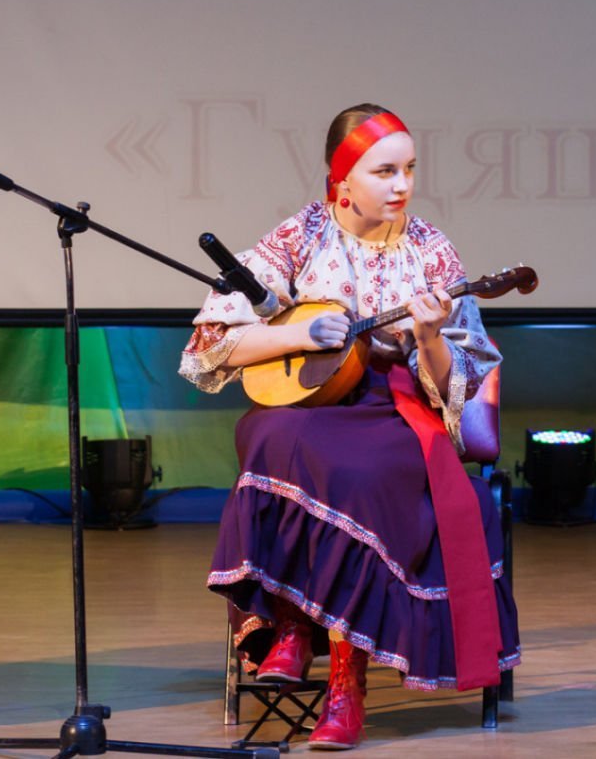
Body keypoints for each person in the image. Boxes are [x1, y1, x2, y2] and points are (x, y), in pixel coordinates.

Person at [180, 103, 520, 750]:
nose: (402, 184)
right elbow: (212, 344)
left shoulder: (431, 250)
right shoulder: (299, 237)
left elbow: (460, 379)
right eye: (384, 171)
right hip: (306, 403)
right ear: (341, 178)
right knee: (270, 436)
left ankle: (346, 679)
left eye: (409, 169)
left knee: (356, 471)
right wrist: (300, 332)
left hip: (395, 408)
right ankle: (291, 624)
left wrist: (428, 335)